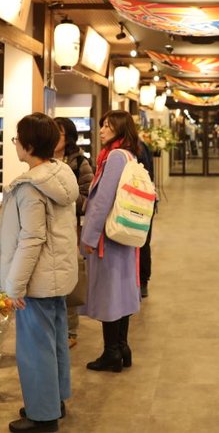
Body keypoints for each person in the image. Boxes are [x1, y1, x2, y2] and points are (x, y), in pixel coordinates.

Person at [0, 113, 79, 433]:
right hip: (56, 277)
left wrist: (15, 286)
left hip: (37, 281)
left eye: (17, 139)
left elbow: (31, 239)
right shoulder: (60, 175)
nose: (15, 144)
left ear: (29, 146)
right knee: (54, 342)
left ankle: (43, 416)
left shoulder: (30, 187)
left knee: (35, 349)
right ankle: (53, 401)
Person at [80, 110, 143, 373]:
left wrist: (89, 236)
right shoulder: (129, 154)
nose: (102, 130)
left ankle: (111, 352)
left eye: (107, 126)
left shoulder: (115, 157)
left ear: (119, 129)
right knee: (121, 293)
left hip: (109, 237)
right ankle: (122, 347)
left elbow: (103, 199)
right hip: (124, 233)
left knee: (109, 294)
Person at [54, 117, 94, 349]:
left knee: (69, 277)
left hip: (70, 229)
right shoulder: (43, 160)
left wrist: (63, 197)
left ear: (68, 137)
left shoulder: (80, 162)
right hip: (48, 228)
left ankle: (70, 330)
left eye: (58, 133)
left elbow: (87, 198)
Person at [136, 138, 156, 299]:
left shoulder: (138, 148)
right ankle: (141, 281)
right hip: (141, 201)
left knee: (141, 241)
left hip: (139, 202)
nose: (102, 131)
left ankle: (142, 281)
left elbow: (148, 176)